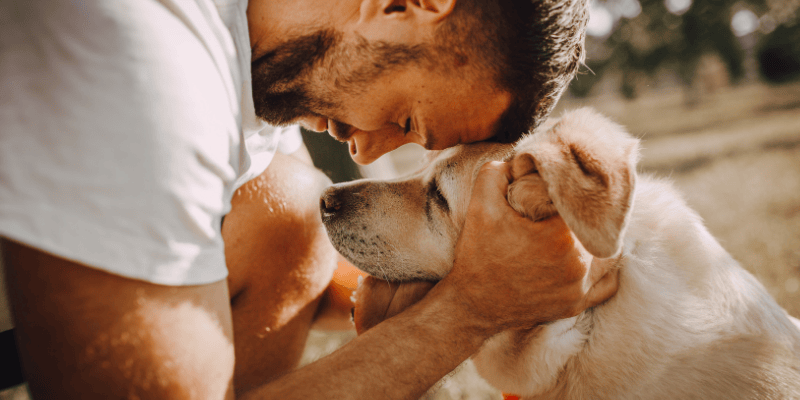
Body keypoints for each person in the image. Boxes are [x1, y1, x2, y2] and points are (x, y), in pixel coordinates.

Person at [0, 0, 618, 399]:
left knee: (288, 210)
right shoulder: (142, 57)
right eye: (405, 117)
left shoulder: (253, 59)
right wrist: (468, 312)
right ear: (407, 5)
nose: (369, 155)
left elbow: (305, 263)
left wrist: (505, 278)